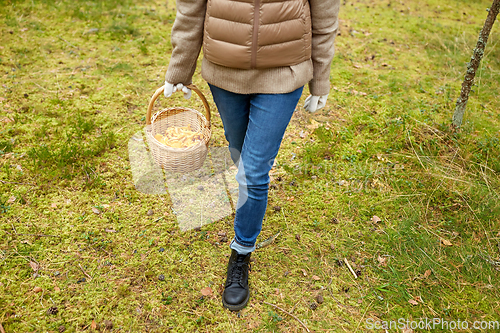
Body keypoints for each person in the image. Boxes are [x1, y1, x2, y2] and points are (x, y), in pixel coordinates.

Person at [164, 0, 340, 311]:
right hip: (224, 70)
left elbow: (324, 17)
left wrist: (320, 79)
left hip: (283, 73)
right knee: (239, 151)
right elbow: (191, 9)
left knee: (253, 171)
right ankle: (251, 197)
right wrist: (180, 68)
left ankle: (241, 251)